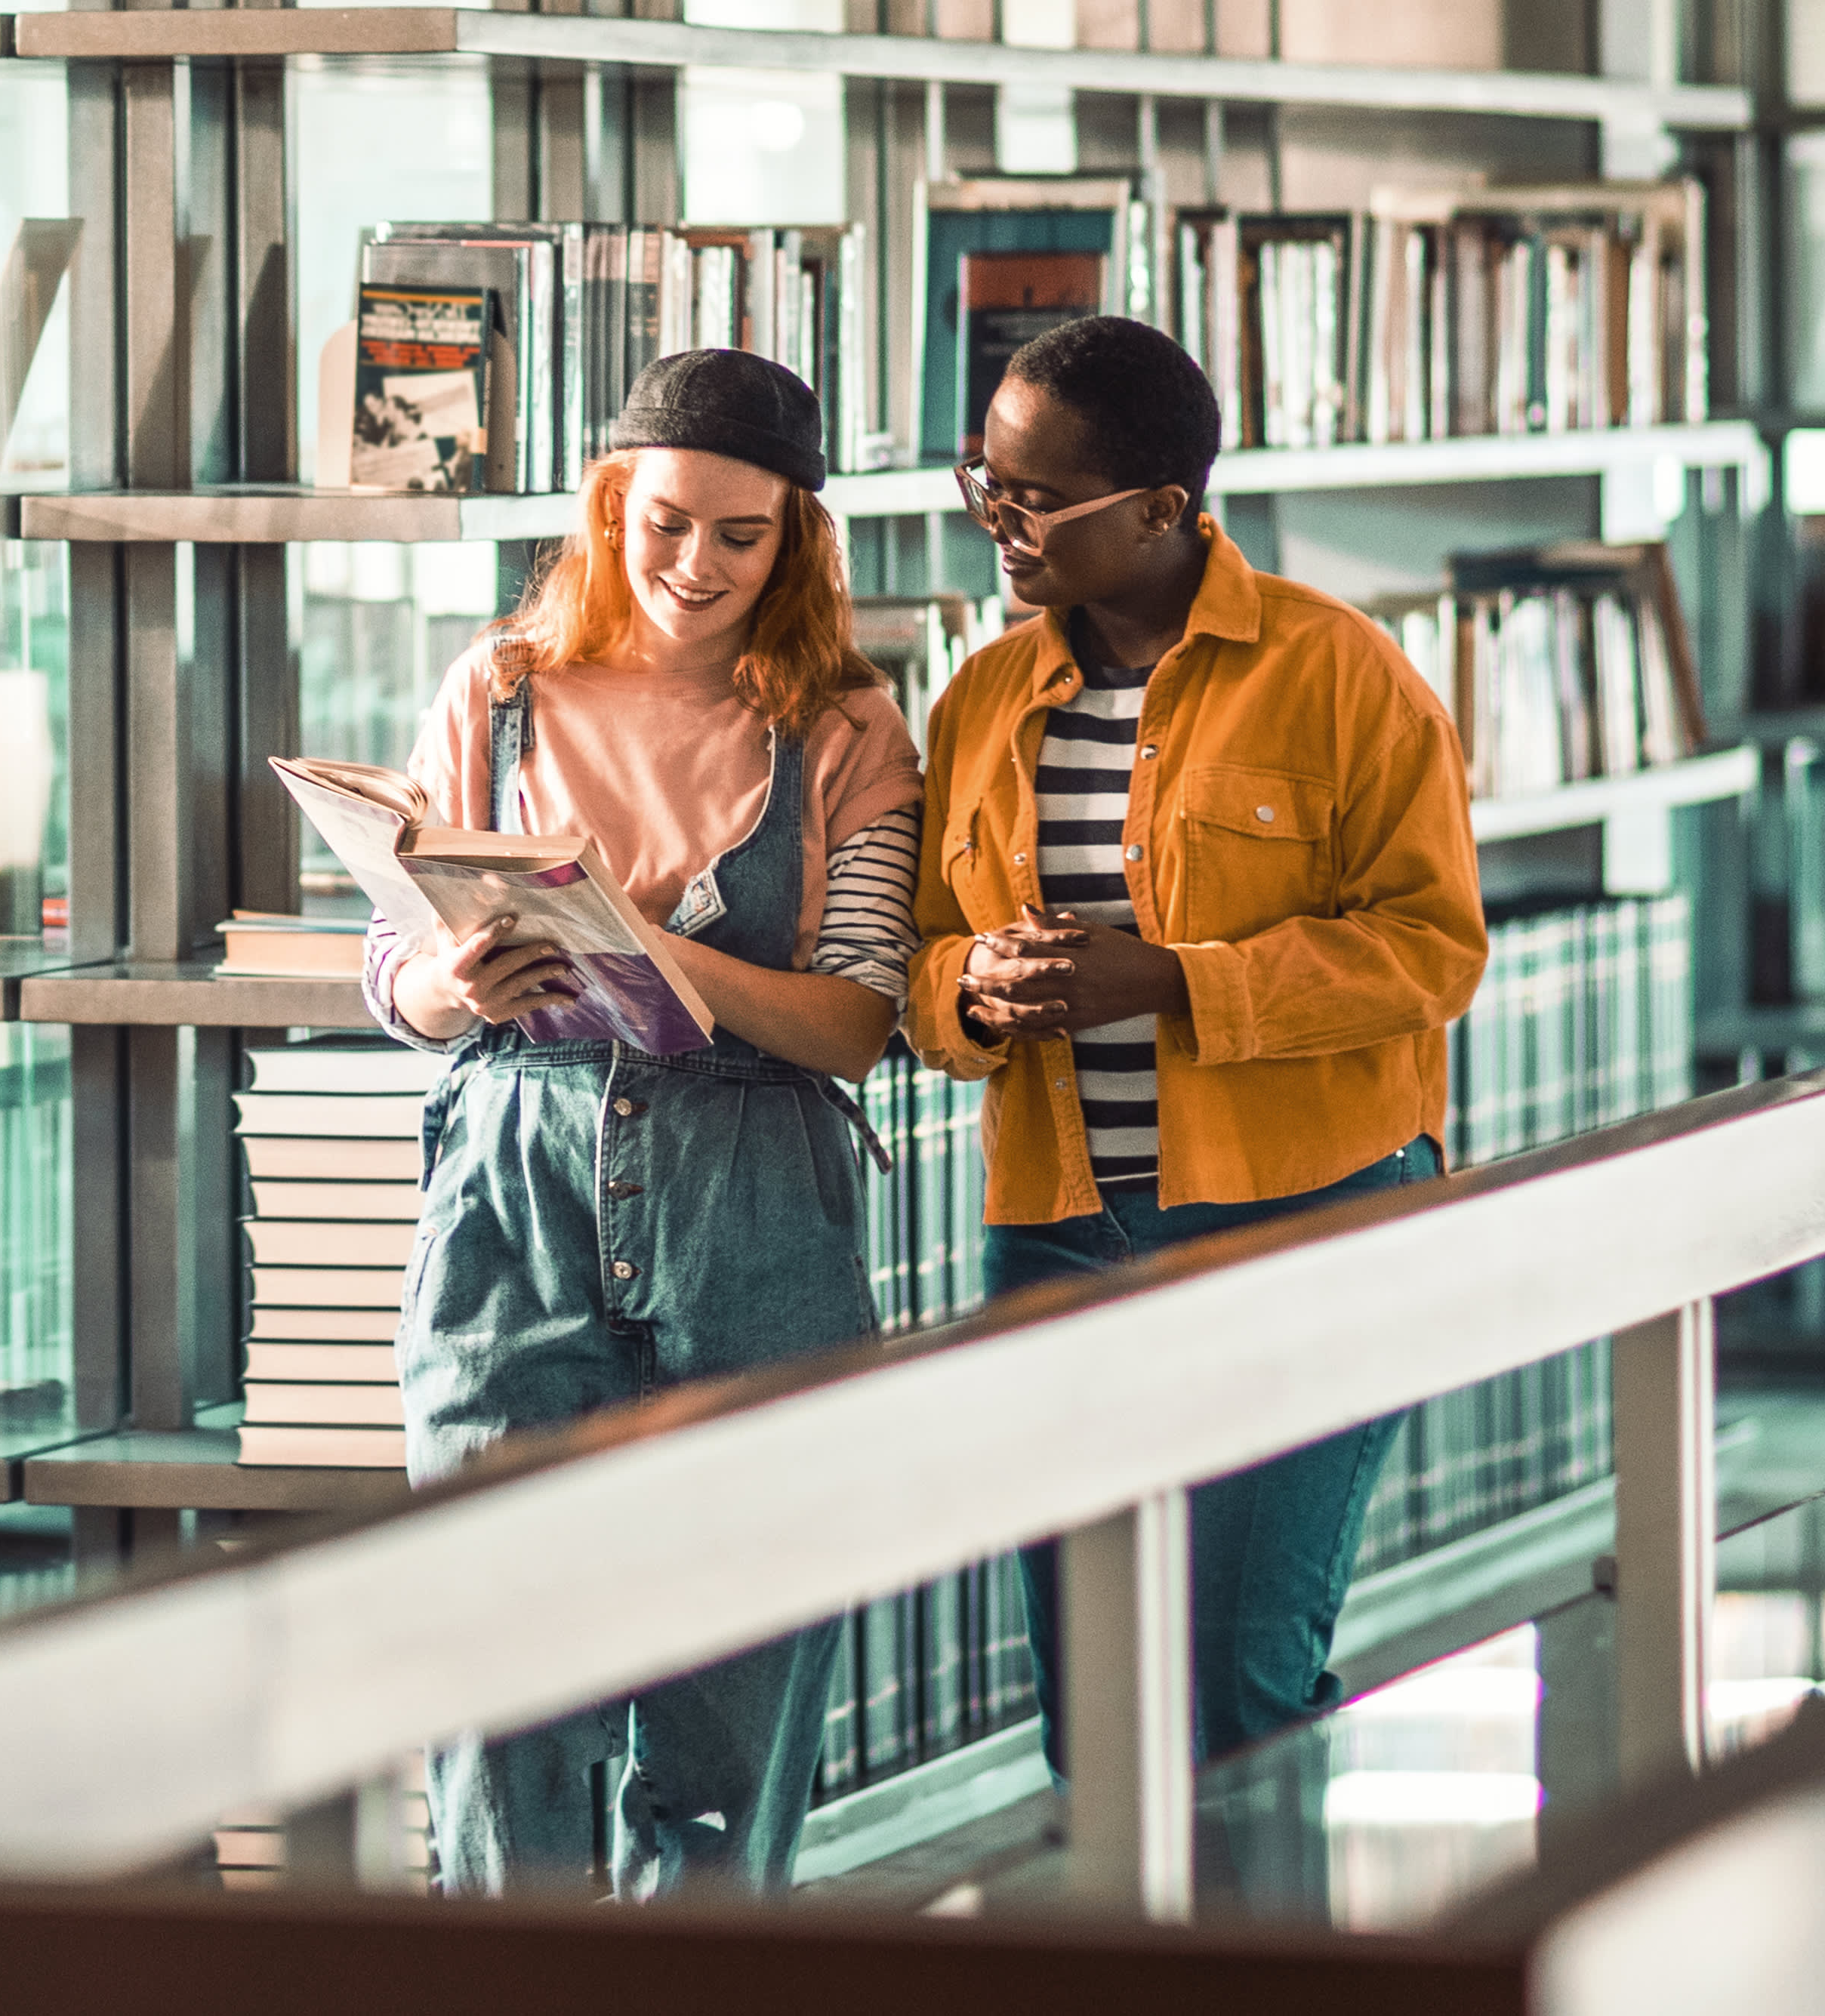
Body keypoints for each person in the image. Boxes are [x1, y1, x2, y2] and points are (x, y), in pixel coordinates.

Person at [359, 350, 925, 1900]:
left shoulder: (847, 725)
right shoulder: (495, 691)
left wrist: (666, 959)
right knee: (496, 1689)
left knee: (729, 1718)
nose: (694, 566)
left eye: (740, 536)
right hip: (512, 1192)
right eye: (665, 523)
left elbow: (858, 1022)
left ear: (795, 540)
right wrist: (449, 987)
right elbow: (391, 972)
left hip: (755, 1207)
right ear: (610, 507)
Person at [905, 315, 1487, 1773]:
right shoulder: (981, 699)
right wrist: (976, 988)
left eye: (1036, 500)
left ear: (1162, 508)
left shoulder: (1343, 674)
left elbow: (1432, 951)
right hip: (1055, 1236)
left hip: (1302, 1222)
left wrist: (1175, 983)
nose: (998, 522)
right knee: (1096, 1706)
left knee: (1234, 1691)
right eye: (985, 483)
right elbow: (918, 966)